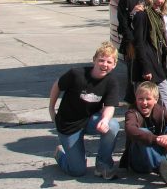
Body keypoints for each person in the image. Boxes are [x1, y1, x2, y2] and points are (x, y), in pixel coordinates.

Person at [49, 42, 120, 178]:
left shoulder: (111, 81)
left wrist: (104, 120)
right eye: (101, 60)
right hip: (68, 124)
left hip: (89, 120)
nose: (104, 64)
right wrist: (51, 109)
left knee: (112, 125)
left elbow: (110, 105)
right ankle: (60, 154)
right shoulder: (76, 74)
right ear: (94, 60)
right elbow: (57, 85)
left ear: (114, 65)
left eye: (109, 62)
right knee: (77, 171)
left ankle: (102, 165)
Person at [133, 0, 167, 108]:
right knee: (153, 102)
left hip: (156, 63)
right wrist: (145, 67)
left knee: (156, 102)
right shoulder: (142, 14)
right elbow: (139, 43)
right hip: (148, 65)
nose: (160, 1)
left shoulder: (157, 15)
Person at [117, 0, 148, 103]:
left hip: (150, 45)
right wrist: (132, 14)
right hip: (134, 46)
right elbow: (123, 25)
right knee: (134, 79)